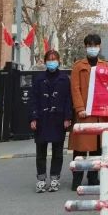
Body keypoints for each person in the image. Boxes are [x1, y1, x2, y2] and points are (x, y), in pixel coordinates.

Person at [69, 34, 108, 191]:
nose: (92, 48)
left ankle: (93, 177)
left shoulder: (106, 65)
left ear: (100, 46)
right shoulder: (78, 66)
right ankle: (77, 179)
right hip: (85, 114)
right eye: (89, 45)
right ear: (85, 47)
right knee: (80, 148)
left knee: (98, 147)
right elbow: (75, 89)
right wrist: (80, 108)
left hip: (101, 114)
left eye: (95, 45)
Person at [30, 50, 72, 193]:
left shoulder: (64, 79)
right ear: (45, 61)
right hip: (42, 119)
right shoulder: (39, 79)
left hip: (58, 119)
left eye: (54, 59)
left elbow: (68, 100)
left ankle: (55, 178)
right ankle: (41, 179)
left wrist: (67, 117)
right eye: (49, 59)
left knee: (58, 152)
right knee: (40, 152)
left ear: (59, 61)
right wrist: (33, 118)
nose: (52, 62)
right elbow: (33, 99)